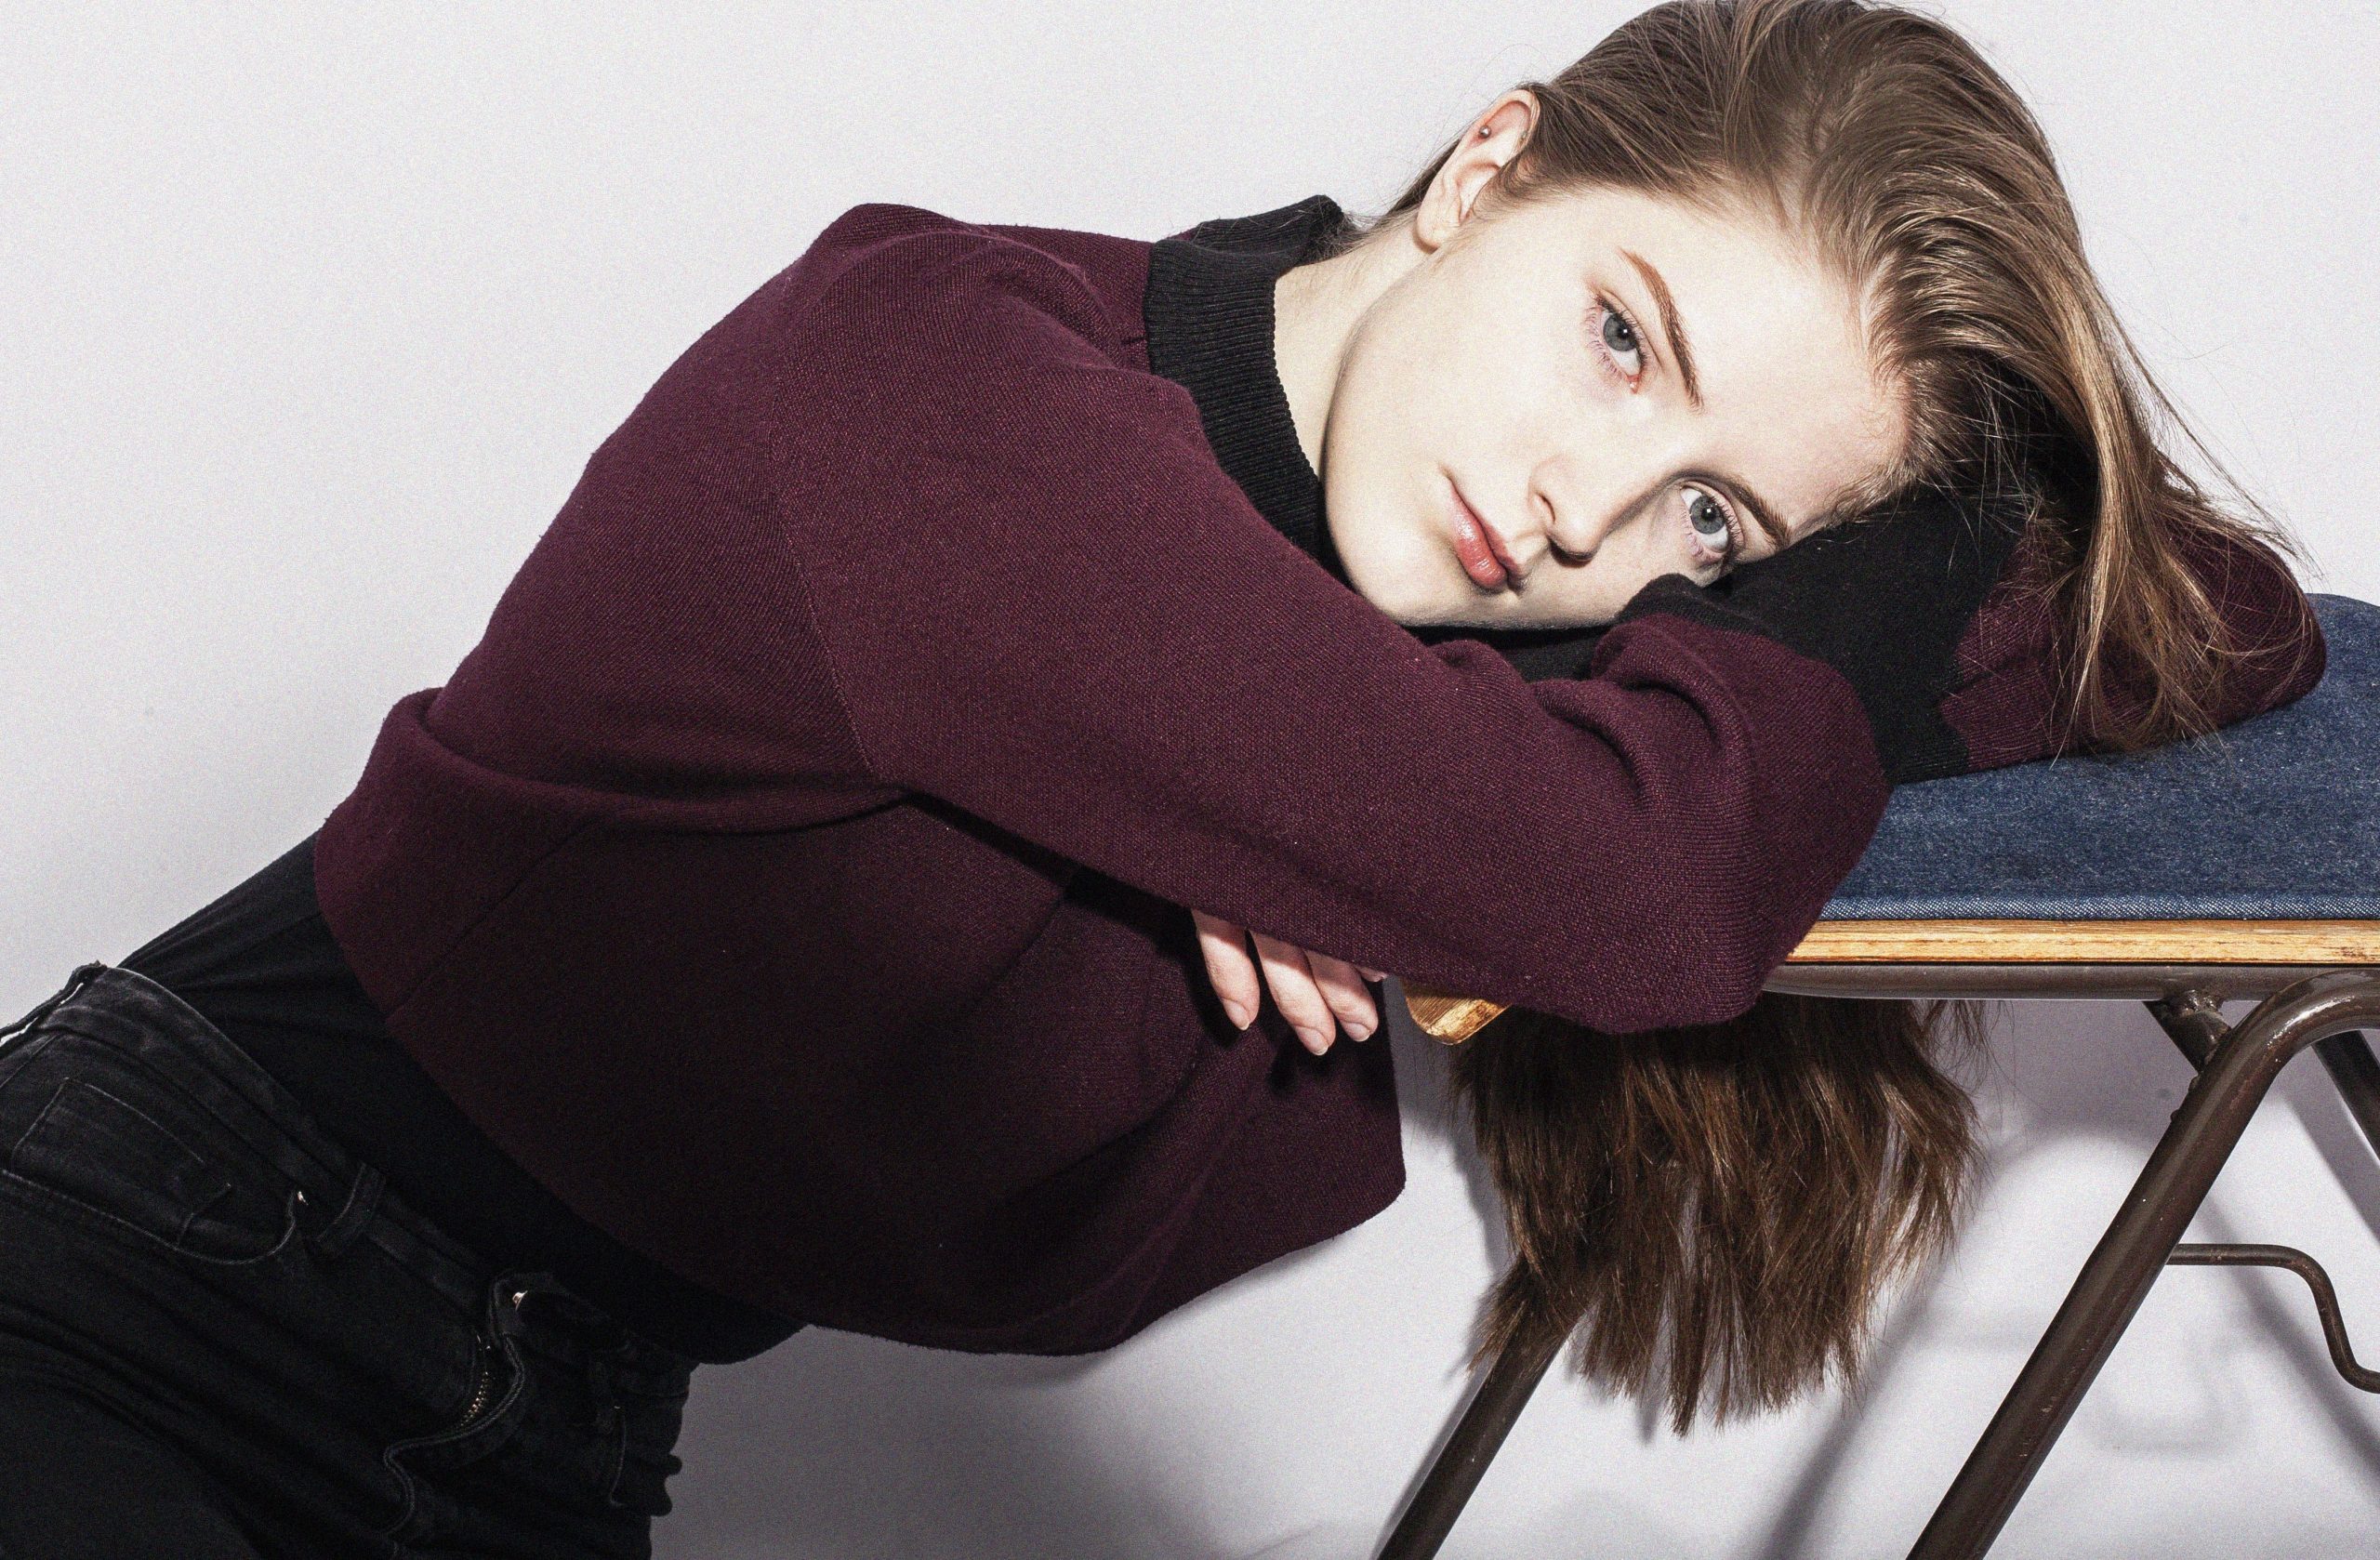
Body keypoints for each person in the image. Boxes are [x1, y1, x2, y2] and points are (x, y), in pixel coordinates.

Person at [0, 1, 2325, 1554]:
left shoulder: (1421, 669)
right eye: (1620, 336)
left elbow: (2213, 614)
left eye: (1708, 520)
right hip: (153, 1279)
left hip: (543, 1433)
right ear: (1487, 168)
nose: (1582, 507)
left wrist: (1863, 519)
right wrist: (1376, 783)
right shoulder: (940, 389)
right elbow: (1636, 890)